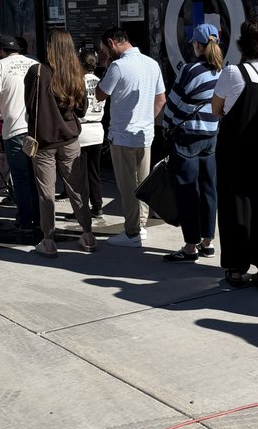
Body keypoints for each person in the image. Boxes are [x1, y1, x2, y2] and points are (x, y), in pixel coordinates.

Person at [212, 17, 258, 291]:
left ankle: (236, 267)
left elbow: (215, 109)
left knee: (235, 208)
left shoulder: (232, 74)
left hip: (237, 153)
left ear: (243, 43)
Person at [24, 31, 96, 257]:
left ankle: (48, 240)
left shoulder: (37, 72)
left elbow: (29, 105)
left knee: (46, 191)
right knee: (77, 187)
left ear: (50, 46)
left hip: (44, 139)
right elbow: (82, 110)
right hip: (70, 138)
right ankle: (87, 234)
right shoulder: (77, 73)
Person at [96, 26, 166, 247]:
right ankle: (141, 226)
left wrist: (104, 67)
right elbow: (161, 99)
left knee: (126, 186)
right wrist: (147, 118)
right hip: (145, 133)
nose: (105, 54)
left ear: (112, 42)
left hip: (122, 134)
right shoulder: (152, 64)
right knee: (142, 181)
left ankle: (132, 232)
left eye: (104, 49)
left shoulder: (117, 66)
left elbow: (99, 95)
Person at [161, 23, 222, 262]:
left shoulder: (190, 70)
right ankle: (208, 242)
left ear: (197, 45)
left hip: (188, 137)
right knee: (209, 188)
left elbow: (174, 105)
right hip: (211, 136)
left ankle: (190, 246)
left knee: (187, 190)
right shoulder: (222, 70)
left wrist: (167, 124)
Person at [0, 33, 41, 238]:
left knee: (22, 177)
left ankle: (26, 221)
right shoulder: (34, 63)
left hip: (15, 130)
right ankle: (41, 219)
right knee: (37, 176)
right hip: (37, 129)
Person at [78, 49, 105, 220]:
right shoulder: (100, 81)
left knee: (80, 174)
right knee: (94, 171)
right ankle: (97, 205)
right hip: (98, 128)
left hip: (82, 129)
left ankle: (81, 209)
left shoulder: (78, 81)